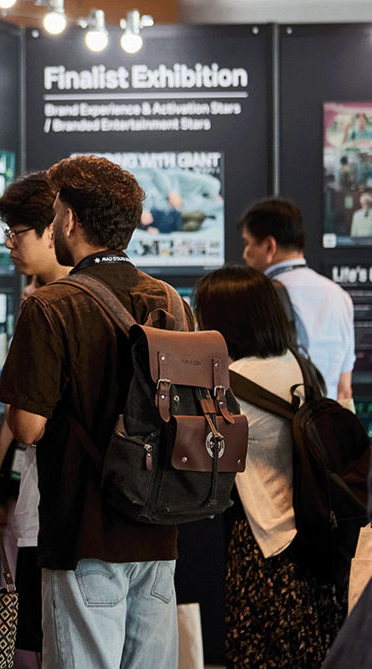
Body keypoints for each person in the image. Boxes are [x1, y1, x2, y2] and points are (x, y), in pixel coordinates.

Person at [0, 155, 190, 669]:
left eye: (57, 210)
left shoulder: (51, 305)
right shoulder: (171, 299)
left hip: (83, 532)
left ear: (70, 220)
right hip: (158, 529)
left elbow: (27, 427)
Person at [193, 265, 345, 669]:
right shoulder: (296, 363)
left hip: (266, 546)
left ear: (225, 320)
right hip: (312, 537)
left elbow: (199, 456)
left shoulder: (233, 382)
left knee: (259, 654)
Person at [0, 171, 69, 669]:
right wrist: (1, 486)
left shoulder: (50, 309)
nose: (9, 245)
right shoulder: (57, 302)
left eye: (17, 233)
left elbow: (25, 425)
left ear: (53, 229)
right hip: (51, 506)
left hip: (56, 516)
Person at [238, 196, 356, 407]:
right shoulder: (339, 295)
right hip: (323, 421)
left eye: (247, 243)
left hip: (276, 420)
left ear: (269, 246)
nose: (245, 254)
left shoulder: (258, 297)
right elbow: (344, 389)